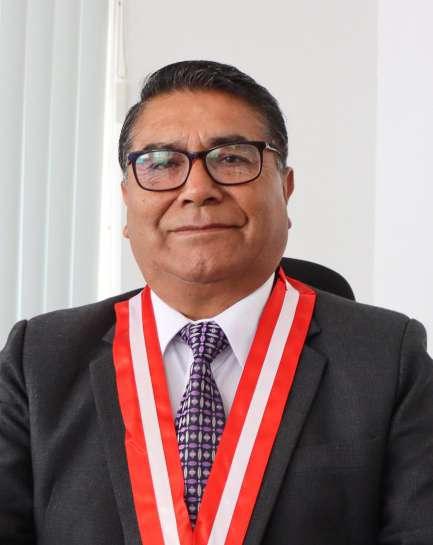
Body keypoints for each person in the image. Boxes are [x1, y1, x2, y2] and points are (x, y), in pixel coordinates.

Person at [1, 60, 432, 545]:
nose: (198, 190)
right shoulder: (38, 360)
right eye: (161, 163)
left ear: (285, 189)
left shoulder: (387, 358)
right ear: (126, 200)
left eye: (231, 159)